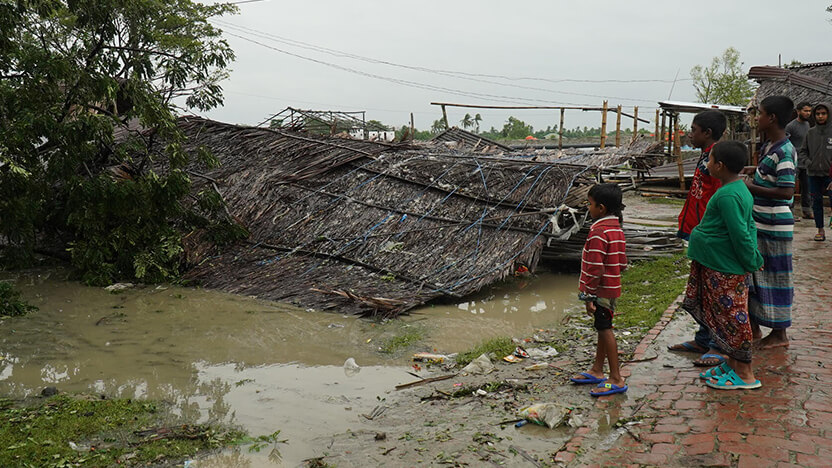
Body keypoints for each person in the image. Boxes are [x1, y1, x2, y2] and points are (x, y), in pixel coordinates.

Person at [682, 140, 764, 389]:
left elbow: (740, 232)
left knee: (733, 317)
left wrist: (752, 260)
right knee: (723, 315)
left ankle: (746, 374)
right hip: (719, 263)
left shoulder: (729, 195)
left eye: (710, 160)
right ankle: (732, 365)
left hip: (725, 266)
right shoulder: (737, 188)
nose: (707, 164)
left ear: (720, 166)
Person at [669, 110, 729, 368]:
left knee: (715, 291)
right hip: (698, 230)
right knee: (703, 289)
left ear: (707, 133)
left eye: (693, 130)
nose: (689, 134)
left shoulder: (717, 160)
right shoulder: (706, 156)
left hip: (709, 232)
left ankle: (718, 344)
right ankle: (704, 338)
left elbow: (718, 195)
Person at [745, 96, 796, 349]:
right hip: (762, 223)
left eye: (760, 113)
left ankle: (779, 334)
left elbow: (787, 191)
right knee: (759, 278)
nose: (757, 118)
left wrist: (750, 186)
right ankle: (756, 327)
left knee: (777, 277)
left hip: (775, 226)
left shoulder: (784, 151)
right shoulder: (769, 147)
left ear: (772, 118)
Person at [570, 183, 628, 396]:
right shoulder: (616, 228)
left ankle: (616, 377)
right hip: (612, 288)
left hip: (601, 290)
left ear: (601, 208)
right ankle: (597, 369)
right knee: (603, 326)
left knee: (605, 329)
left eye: (590, 203)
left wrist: (588, 295)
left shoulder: (598, 232)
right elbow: (622, 262)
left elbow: (594, 268)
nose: (588, 207)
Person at [798, 102, 832, 241]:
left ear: (828, 115)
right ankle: (820, 230)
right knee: (816, 202)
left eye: (823, 113)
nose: (820, 116)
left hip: (830, 175)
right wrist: (808, 163)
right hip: (813, 174)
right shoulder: (810, 133)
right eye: (817, 114)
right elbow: (802, 152)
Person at [787, 102, 813, 220]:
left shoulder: (807, 125)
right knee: (790, 187)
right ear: (798, 111)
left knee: (807, 187)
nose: (808, 113)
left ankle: (807, 211)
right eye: (805, 111)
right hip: (794, 160)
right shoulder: (791, 126)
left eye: (809, 111)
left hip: (805, 161)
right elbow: (786, 142)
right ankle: (789, 212)